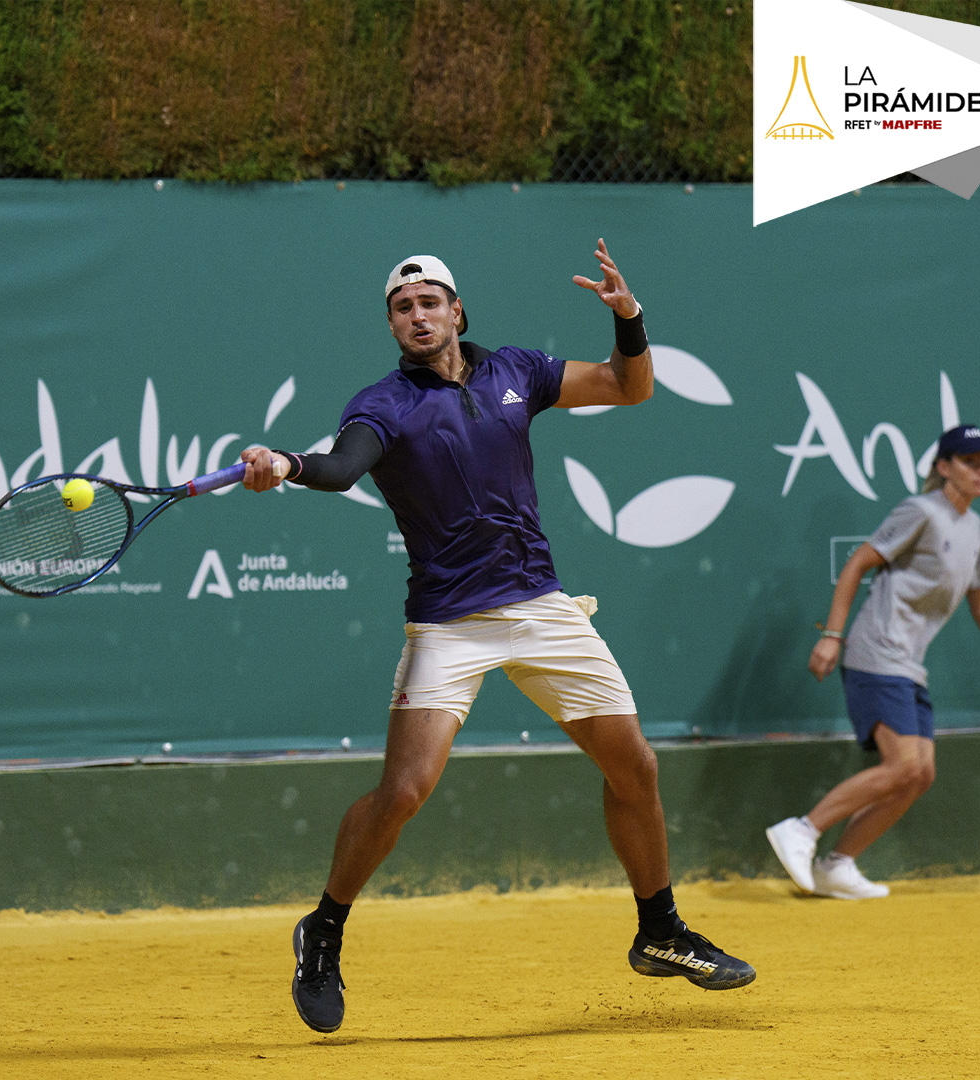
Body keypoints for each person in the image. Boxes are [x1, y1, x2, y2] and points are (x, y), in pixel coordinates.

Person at [241, 240, 755, 1034]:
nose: (418, 316)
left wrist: (630, 319)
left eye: (430, 302)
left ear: (457, 311)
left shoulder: (517, 370)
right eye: (402, 308)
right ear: (392, 326)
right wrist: (285, 462)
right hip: (451, 622)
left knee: (635, 765)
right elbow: (342, 468)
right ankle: (325, 931)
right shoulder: (384, 405)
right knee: (404, 793)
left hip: (542, 606)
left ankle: (660, 932)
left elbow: (629, 388)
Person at [767, 424, 980, 900]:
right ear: (943, 467)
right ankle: (801, 829)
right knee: (904, 766)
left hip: (909, 663)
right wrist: (832, 635)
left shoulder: (977, 529)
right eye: (969, 461)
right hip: (876, 652)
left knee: (920, 774)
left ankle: (836, 865)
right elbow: (859, 562)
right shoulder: (921, 511)